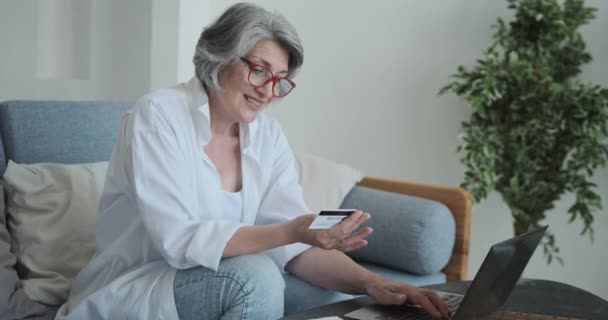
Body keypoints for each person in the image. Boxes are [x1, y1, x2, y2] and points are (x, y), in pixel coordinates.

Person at [56, 3, 450, 320]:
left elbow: (297, 249)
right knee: (257, 277)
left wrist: (373, 283)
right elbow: (179, 241)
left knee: (326, 287)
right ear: (219, 57)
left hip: (213, 283)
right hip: (136, 289)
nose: (268, 91)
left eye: (280, 79)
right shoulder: (158, 116)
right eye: (259, 71)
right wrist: (291, 230)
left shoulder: (266, 136)